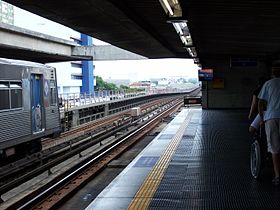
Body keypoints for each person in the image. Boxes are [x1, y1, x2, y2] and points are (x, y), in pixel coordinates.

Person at [258, 63, 280, 186]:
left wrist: (261, 119)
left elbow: (260, 103)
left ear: (272, 74)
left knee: (275, 148)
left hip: (271, 117)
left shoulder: (268, 84)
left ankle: (278, 176)